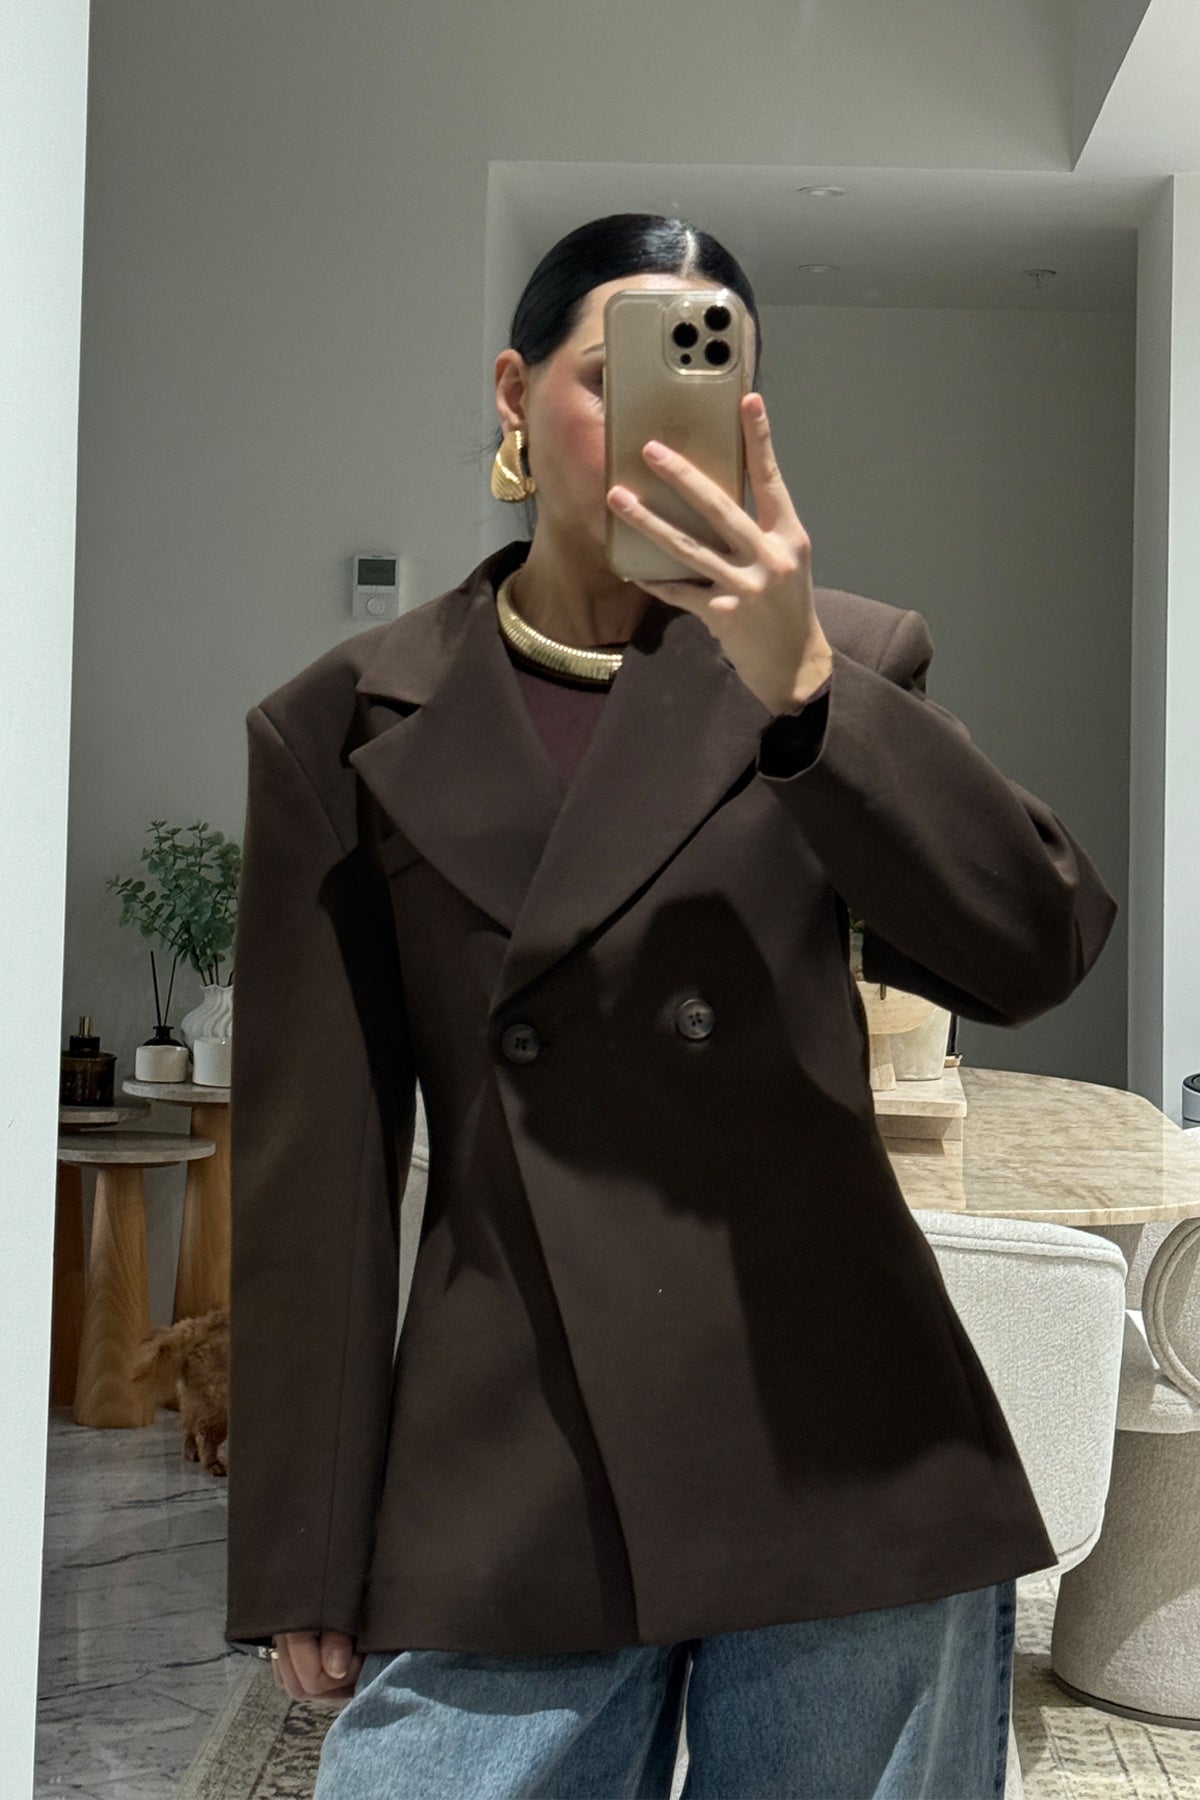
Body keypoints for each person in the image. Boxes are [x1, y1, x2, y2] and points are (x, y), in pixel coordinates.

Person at [224, 213, 1119, 1797]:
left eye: (712, 377)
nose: (657, 422)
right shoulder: (343, 726)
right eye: (612, 371)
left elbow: (1030, 954)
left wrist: (806, 692)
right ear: (515, 395)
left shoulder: (845, 663)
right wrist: (306, 1534)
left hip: (840, 1435)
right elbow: (319, 1174)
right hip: (514, 1457)